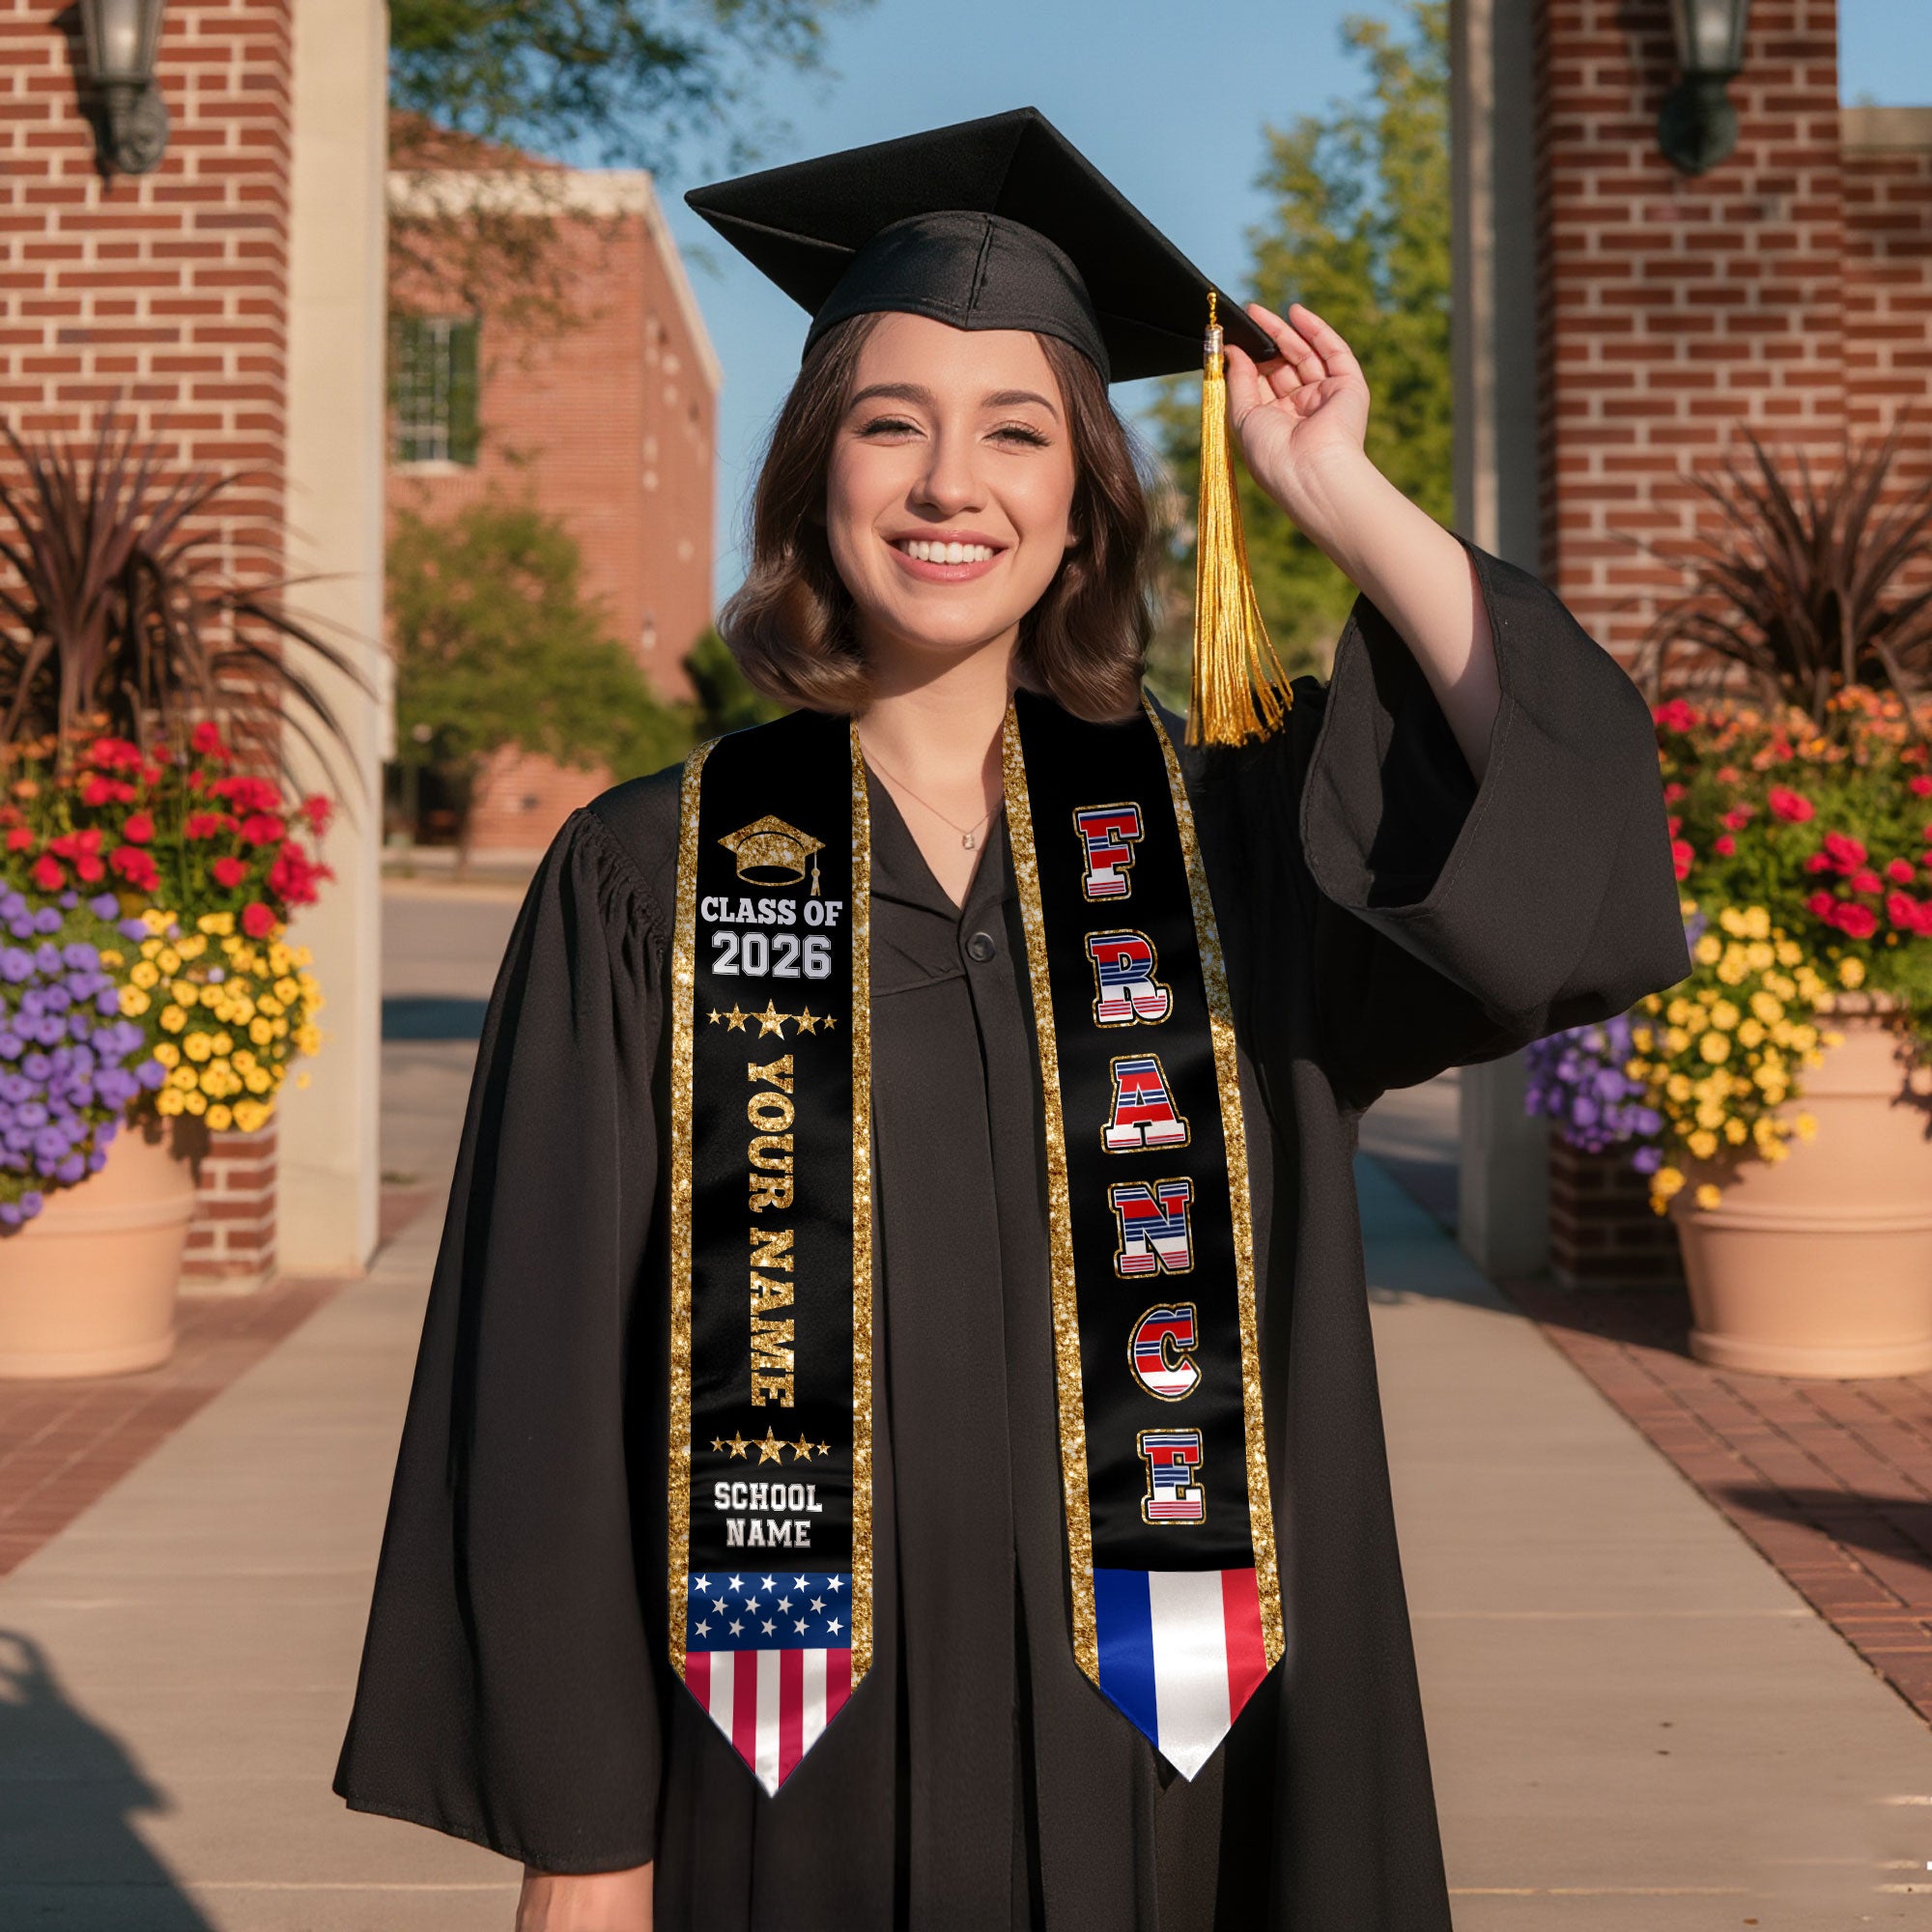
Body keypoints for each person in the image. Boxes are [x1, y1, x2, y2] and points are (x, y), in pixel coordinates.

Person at [332, 109, 1690, 1931]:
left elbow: (1560, 835)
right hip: (780, 1784)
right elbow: (548, 1385)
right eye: (892, 424)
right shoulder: (648, 877)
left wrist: (1336, 491)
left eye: (1016, 432)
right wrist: (585, 1842)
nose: (948, 483)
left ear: (1083, 503)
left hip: (1189, 1781)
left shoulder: (1233, 856)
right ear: (818, 472)